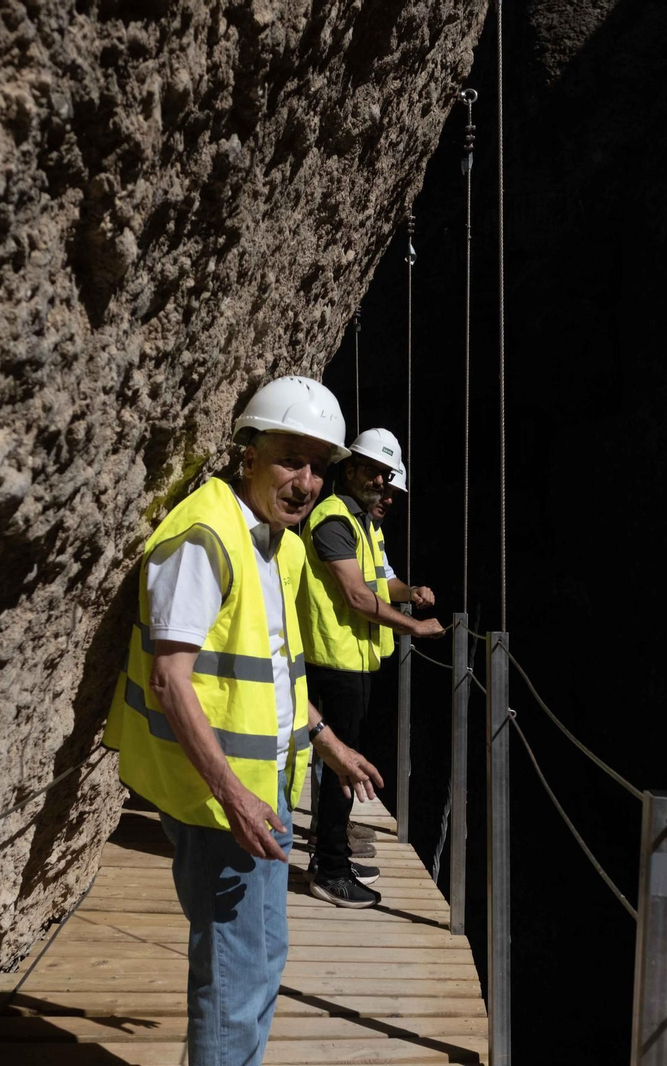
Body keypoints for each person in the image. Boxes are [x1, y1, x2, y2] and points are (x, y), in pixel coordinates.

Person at [102, 376, 385, 1066]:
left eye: (318, 467)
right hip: (222, 801)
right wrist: (231, 795)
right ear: (247, 454)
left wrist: (328, 743)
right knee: (236, 972)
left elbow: (274, 672)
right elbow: (171, 681)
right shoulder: (205, 539)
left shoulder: (275, 543)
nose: (306, 481)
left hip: (264, 789)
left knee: (260, 957)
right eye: (291, 459)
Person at [298, 428, 442, 908]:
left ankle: (331, 850)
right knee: (341, 768)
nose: (383, 483)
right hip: (332, 659)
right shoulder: (334, 518)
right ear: (350, 468)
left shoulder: (363, 525)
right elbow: (358, 596)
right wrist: (414, 628)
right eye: (374, 471)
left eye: (388, 476)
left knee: (341, 764)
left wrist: (412, 591)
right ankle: (330, 871)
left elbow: (382, 581)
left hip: (353, 659)